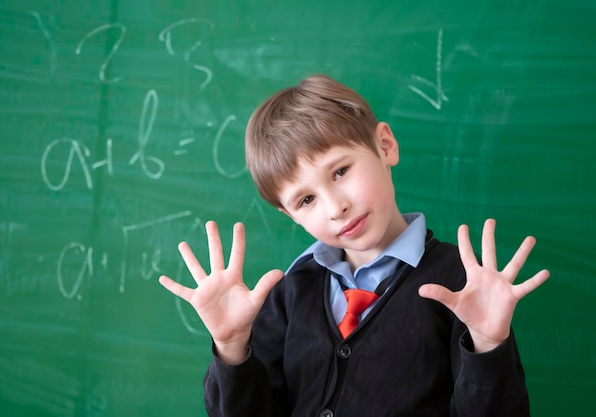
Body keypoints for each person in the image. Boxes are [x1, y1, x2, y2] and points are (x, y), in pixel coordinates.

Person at [159, 74, 549, 417]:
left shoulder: (462, 284)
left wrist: (487, 346)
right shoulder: (292, 291)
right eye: (306, 200)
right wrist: (230, 350)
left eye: (341, 171)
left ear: (385, 146)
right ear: (289, 214)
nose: (336, 207)